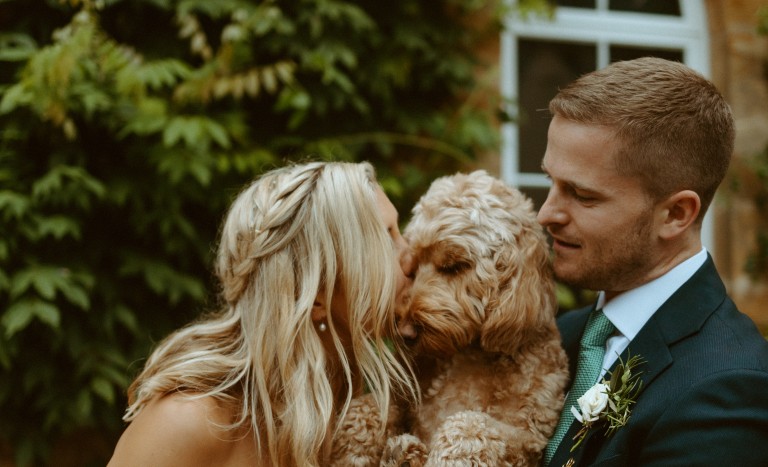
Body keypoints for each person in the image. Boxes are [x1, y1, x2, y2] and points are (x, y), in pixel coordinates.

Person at [537, 57, 768, 466]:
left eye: (583, 195)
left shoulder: (727, 387)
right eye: (550, 182)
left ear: (676, 214)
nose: (547, 214)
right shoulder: (558, 337)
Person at [107, 161, 418, 466]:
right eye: (386, 239)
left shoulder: (358, 414)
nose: (413, 259)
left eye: (399, 231)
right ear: (315, 297)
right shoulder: (189, 421)